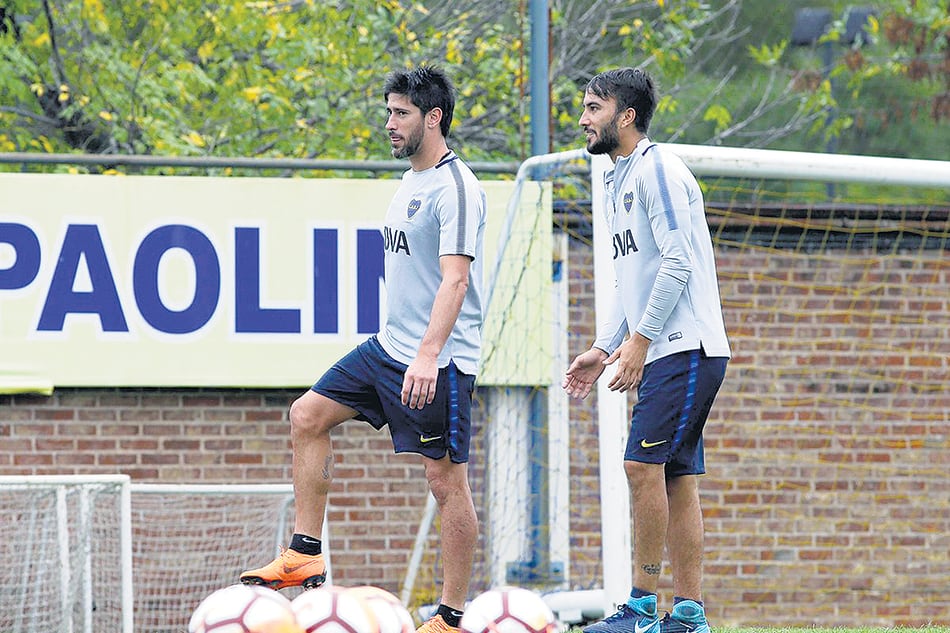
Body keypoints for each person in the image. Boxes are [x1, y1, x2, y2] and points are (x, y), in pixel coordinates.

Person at [240, 65, 487, 633]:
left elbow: (456, 281)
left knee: (445, 483)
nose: (390, 124)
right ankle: (305, 553)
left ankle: (450, 618)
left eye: (401, 114)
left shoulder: (457, 187)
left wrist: (427, 355)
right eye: (388, 112)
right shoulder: (409, 181)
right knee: (307, 415)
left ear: (434, 118)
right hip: (387, 349)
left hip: (439, 362)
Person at [563, 67, 731, 633]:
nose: (583, 119)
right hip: (670, 349)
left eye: (593, 108)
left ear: (627, 115)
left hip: (685, 347)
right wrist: (604, 347)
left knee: (641, 466)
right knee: (675, 475)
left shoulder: (658, 169)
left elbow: (678, 262)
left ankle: (639, 609)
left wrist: (640, 340)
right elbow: (632, 280)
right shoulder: (617, 179)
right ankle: (688, 614)